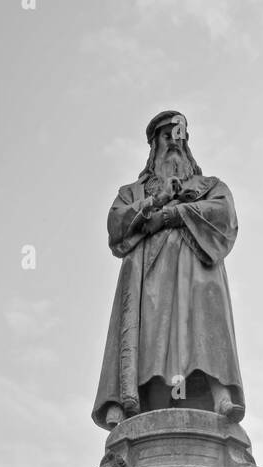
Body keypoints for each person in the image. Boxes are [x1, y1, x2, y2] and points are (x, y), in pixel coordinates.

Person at [92, 110, 245, 429]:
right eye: (167, 136)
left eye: (181, 137)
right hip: (149, 276)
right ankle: (140, 414)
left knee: (202, 328)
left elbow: (225, 216)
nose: (175, 143)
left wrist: (176, 213)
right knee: (153, 340)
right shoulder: (133, 193)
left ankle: (220, 396)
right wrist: (155, 202)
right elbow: (116, 226)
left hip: (198, 272)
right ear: (154, 145)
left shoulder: (210, 185)